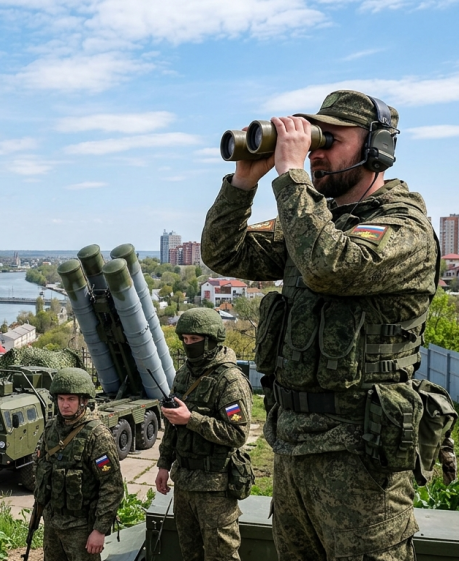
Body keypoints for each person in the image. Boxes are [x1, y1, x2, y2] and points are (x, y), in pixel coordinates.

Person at [201, 90, 438, 560]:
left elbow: (334, 266)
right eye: (314, 140)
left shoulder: (403, 223)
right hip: (292, 445)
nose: (316, 153)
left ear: (378, 149)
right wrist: (243, 183)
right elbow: (224, 254)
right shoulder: (313, 218)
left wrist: (290, 178)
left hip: (362, 458)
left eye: (329, 139)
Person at [155, 307, 253, 561]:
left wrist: (192, 419)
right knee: (190, 554)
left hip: (215, 487)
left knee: (222, 555)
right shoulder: (185, 374)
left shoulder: (230, 379)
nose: (188, 345)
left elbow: (237, 433)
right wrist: (164, 465)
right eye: (185, 339)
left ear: (210, 341)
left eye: (194, 340)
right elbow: (172, 427)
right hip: (184, 483)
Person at [34, 367, 124, 561]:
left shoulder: (97, 436)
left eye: (71, 399)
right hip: (53, 523)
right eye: (61, 399)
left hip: (81, 528)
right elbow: (41, 469)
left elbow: (112, 486)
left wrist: (99, 530)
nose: (65, 405)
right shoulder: (51, 429)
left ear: (83, 401)